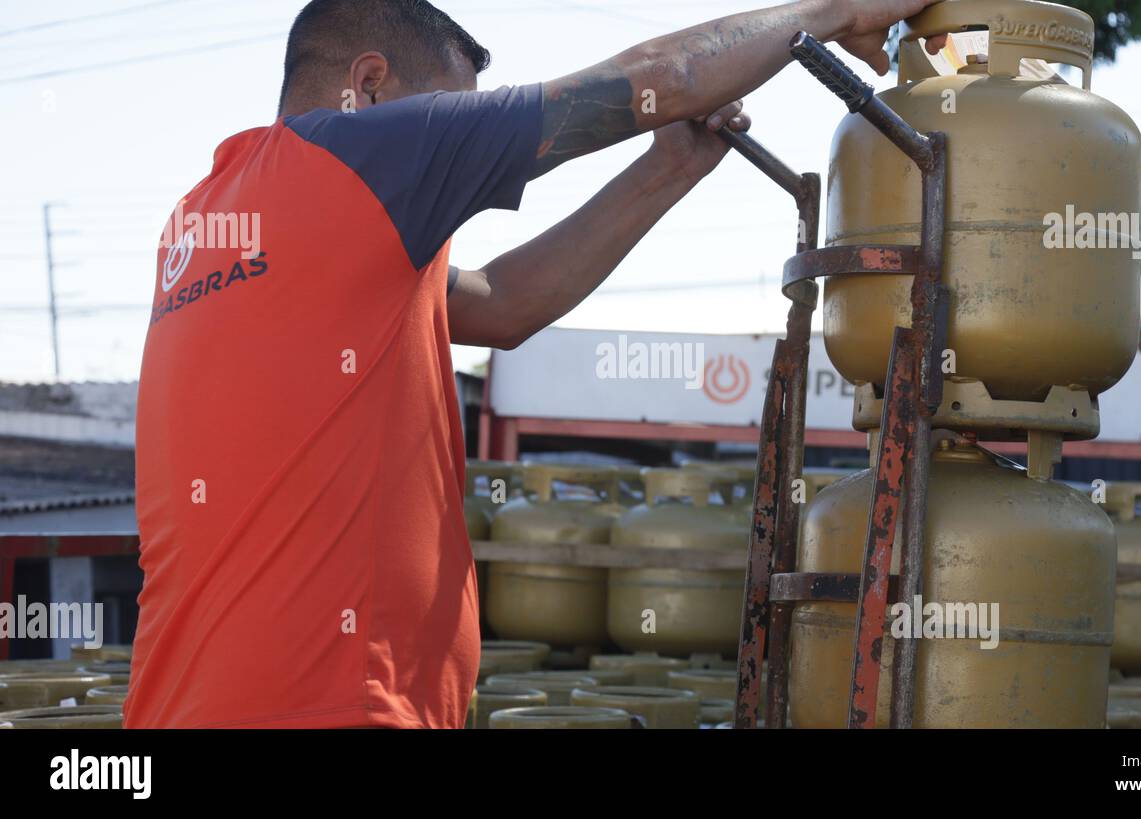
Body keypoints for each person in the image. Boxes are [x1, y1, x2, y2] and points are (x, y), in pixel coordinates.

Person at [128, 0, 945, 728]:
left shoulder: (212, 221)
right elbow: (659, 75)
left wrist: (665, 170)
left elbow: (501, 303)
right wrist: (836, 12)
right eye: (451, 119)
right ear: (367, 85)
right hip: (328, 704)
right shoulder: (352, 157)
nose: (460, 160)